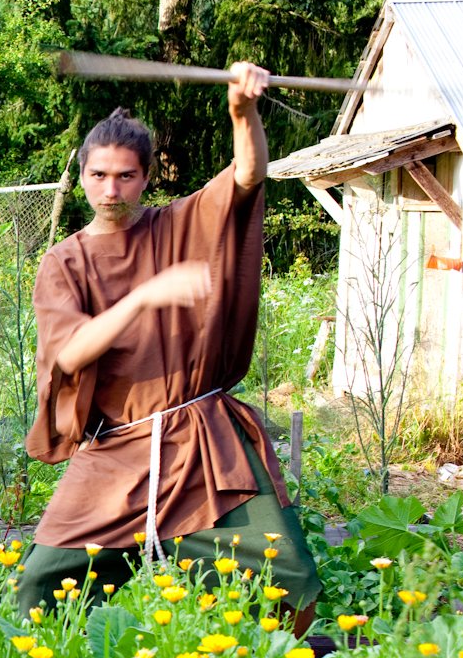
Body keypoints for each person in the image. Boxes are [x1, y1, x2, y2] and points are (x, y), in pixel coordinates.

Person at [17, 62, 321, 626]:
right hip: (117, 451)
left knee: (288, 582)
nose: (111, 190)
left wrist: (241, 110)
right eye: (100, 175)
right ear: (81, 174)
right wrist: (144, 297)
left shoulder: (180, 226)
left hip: (202, 441)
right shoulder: (64, 262)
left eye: (126, 176)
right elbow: (70, 354)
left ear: (147, 176)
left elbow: (248, 174)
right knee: (41, 584)